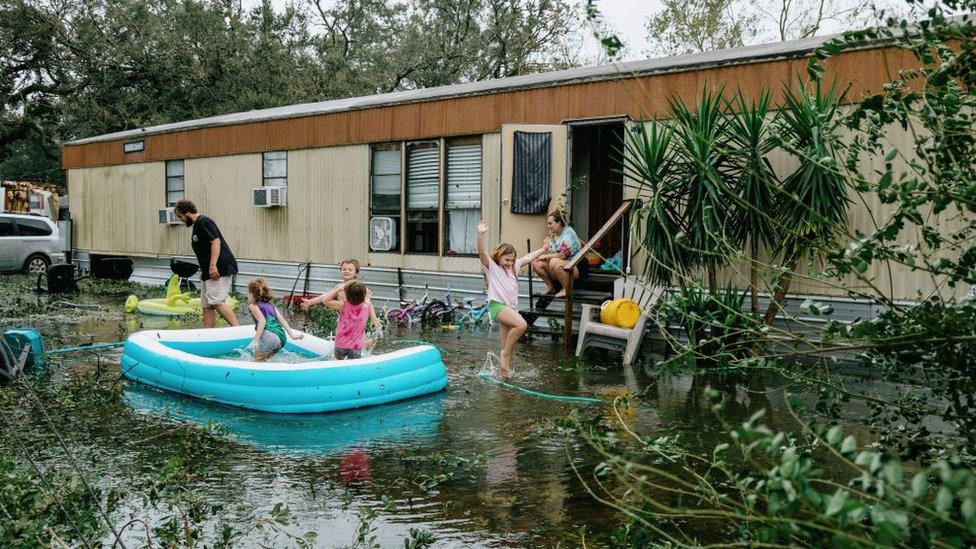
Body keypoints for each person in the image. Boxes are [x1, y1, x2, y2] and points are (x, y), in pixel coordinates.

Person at [476, 219, 548, 377]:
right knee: (521, 325)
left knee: (506, 344)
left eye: (512, 260)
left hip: (509, 309)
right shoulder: (492, 267)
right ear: (498, 257)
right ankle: (505, 353)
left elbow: (528, 257)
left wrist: (543, 249)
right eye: (506, 260)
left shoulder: (514, 266)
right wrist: (480, 234)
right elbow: (481, 252)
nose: (509, 263)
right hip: (497, 306)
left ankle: (504, 375)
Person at [173, 199, 239, 328]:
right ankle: (207, 334)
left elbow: (216, 242)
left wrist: (213, 265)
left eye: (180, 216)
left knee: (216, 301)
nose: (180, 220)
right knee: (207, 304)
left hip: (219, 268)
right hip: (207, 272)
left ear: (186, 212)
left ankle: (238, 330)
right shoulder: (196, 226)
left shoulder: (204, 222)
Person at [301, 259, 382, 342]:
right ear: (340, 271)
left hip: (356, 316)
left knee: (352, 336)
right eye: (344, 269)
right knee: (346, 335)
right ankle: (363, 344)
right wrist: (310, 302)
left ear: (356, 273)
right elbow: (325, 296)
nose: (346, 271)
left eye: (350, 270)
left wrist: (373, 317)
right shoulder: (340, 286)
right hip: (345, 317)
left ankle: (367, 343)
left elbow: (368, 302)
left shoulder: (358, 286)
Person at [313, 280, 373, 360]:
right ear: (364, 295)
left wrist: (339, 289)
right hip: (355, 347)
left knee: (338, 365)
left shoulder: (343, 305)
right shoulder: (366, 307)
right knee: (353, 367)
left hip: (340, 344)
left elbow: (324, 300)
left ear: (346, 294)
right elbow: (367, 301)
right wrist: (368, 297)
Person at [245, 278, 303, 361]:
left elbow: (262, 321)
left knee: (255, 361)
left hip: (270, 337)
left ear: (252, 294)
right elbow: (282, 320)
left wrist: (255, 340)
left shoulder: (253, 306)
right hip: (281, 338)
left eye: (248, 293)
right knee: (263, 361)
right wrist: (292, 335)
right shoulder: (271, 306)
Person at [531, 211, 584, 298]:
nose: (548, 227)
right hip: (562, 264)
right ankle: (551, 287)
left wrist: (545, 256)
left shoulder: (568, 234)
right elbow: (553, 252)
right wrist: (546, 246)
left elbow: (562, 255)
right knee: (536, 262)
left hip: (576, 265)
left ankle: (566, 289)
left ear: (558, 223)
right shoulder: (554, 234)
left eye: (550, 224)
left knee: (554, 261)